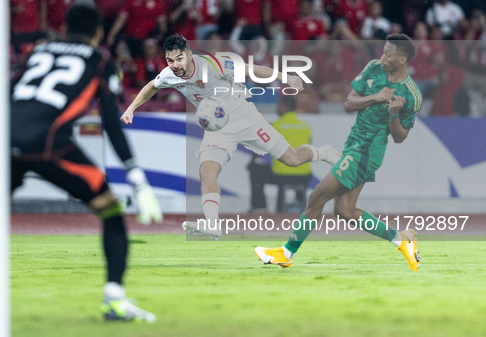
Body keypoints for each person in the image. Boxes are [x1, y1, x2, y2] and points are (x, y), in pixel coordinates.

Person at [0, 4, 162, 322]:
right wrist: (136, 177)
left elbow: (4, 99)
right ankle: (114, 299)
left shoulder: (37, 52)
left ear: (64, 27)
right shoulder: (100, 61)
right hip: (50, 146)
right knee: (111, 210)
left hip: (5, 143)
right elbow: (111, 123)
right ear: (98, 33)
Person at [120, 34, 340, 239]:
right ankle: (213, 225)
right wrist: (131, 109)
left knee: (292, 159)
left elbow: (250, 69)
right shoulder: (169, 75)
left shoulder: (212, 64)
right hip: (216, 125)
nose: (175, 65)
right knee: (207, 170)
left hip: (242, 114)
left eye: (179, 58)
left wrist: (286, 78)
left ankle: (324, 152)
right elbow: (151, 86)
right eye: (170, 60)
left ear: (188, 54)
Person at [255, 34, 423, 271]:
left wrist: (394, 114)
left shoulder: (412, 95)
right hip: (352, 145)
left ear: (402, 59)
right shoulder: (373, 68)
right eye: (383, 51)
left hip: (367, 152)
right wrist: (375, 97)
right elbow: (348, 104)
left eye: (388, 54)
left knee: (316, 197)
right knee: (344, 210)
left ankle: (286, 253)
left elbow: (400, 137)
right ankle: (402, 240)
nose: (382, 57)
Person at [248, 96, 312, 212]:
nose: (277, 108)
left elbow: (259, 147)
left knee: (255, 169)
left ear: (284, 106)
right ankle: (299, 204)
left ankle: (260, 206)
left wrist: (251, 162)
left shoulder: (274, 125)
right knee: (298, 168)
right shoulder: (305, 126)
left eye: (278, 105)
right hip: (304, 176)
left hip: (280, 174)